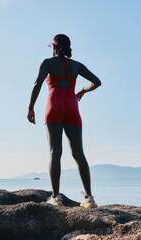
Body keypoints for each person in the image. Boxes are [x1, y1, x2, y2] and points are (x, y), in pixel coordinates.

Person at [27, 34, 101, 208]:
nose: (51, 50)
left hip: (54, 107)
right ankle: (89, 198)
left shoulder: (47, 63)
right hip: (72, 109)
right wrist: (82, 90)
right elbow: (97, 82)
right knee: (79, 153)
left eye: (52, 46)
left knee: (55, 152)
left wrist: (30, 108)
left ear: (57, 47)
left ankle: (56, 197)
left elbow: (37, 84)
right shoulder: (77, 65)